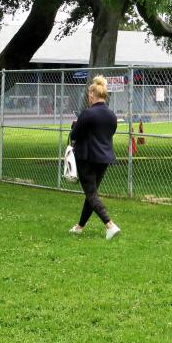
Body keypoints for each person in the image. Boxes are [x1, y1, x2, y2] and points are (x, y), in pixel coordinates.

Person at [68, 75, 120, 240]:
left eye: (88, 95)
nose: (88, 98)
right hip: (104, 159)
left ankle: (110, 225)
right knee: (92, 194)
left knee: (91, 194)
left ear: (92, 95)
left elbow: (74, 135)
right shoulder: (112, 115)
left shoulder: (88, 114)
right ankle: (80, 226)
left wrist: (75, 125)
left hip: (87, 158)